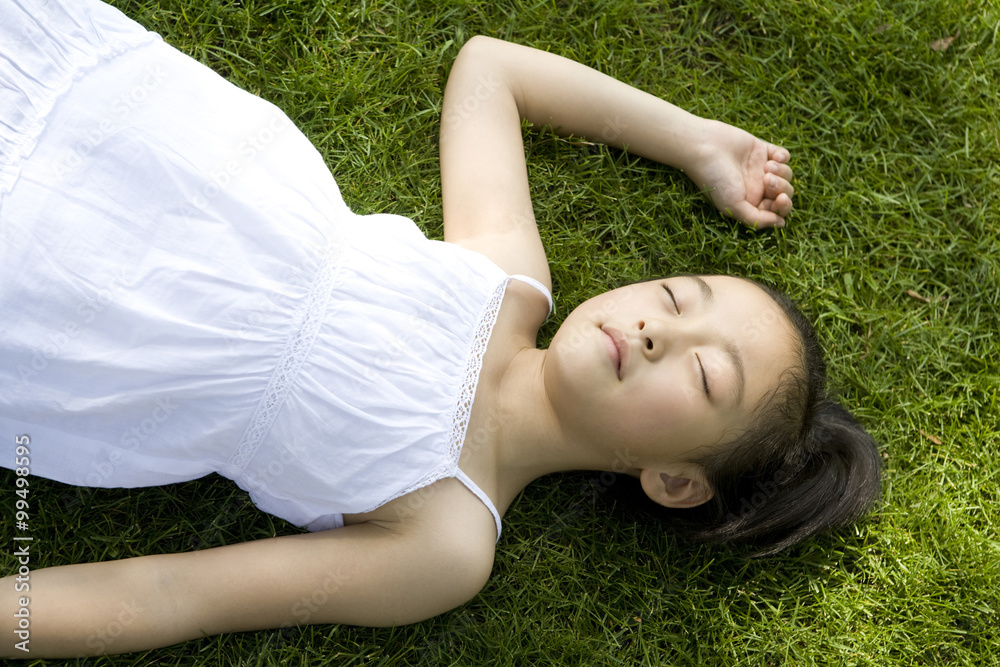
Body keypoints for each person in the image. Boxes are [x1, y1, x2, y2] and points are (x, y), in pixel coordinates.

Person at [0, 0, 880, 658]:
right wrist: (697, 143)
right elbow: (491, 69)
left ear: (676, 482)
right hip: (151, 151)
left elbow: (168, 593)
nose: (657, 331)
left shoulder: (445, 541)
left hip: (84, 326)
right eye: (679, 297)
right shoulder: (507, 279)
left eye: (703, 377)